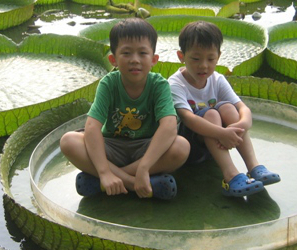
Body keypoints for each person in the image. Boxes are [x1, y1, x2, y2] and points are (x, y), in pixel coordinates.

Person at [60, 18, 190, 200]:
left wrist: (144, 166)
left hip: (147, 149)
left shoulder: (159, 84)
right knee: (68, 141)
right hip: (112, 147)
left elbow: (168, 126)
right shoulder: (108, 84)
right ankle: (133, 183)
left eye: (142, 53)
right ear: (113, 59)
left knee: (181, 147)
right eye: (126, 53)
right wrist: (104, 171)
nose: (134, 60)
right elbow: (92, 127)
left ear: (154, 59)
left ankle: (108, 180)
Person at [168, 20, 280, 198]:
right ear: (181, 56)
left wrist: (239, 126)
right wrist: (222, 133)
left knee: (228, 108)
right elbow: (188, 119)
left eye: (210, 59)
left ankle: (254, 167)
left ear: (218, 56)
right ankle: (230, 176)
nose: (204, 65)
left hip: (218, 142)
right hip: (189, 148)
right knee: (211, 112)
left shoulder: (217, 79)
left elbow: (243, 109)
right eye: (196, 59)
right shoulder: (175, 84)